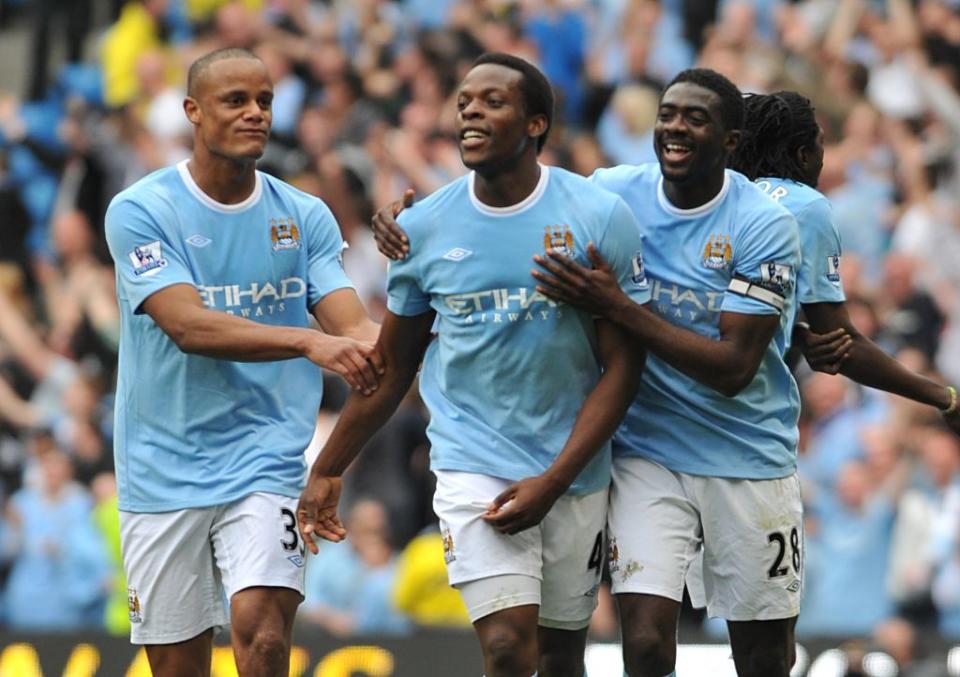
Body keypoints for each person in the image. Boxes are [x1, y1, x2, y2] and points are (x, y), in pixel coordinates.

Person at [373, 69, 807, 677]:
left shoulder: (763, 224)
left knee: (764, 656)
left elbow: (734, 369)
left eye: (695, 118)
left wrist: (621, 308)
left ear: (731, 142)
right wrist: (407, 220)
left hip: (748, 453)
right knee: (649, 643)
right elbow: (517, 192)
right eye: (667, 114)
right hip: (644, 452)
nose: (675, 128)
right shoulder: (612, 194)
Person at [297, 52, 650, 677]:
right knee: (510, 649)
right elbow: (394, 364)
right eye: (464, 103)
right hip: (470, 463)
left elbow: (623, 367)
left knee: (562, 656)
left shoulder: (597, 218)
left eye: (492, 102)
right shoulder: (423, 229)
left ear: (537, 123)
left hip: (573, 466)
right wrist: (330, 469)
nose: (471, 114)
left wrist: (555, 480)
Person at [104, 47, 381, 677]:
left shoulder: (303, 215)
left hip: (267, 459)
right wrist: (306, 341)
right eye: (236, 101)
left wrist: (420, 318)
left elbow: (355, 328)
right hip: (161, 467)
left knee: (264, 635)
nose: (255, 113)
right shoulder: (142, 210)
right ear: (193, 112)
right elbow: (186, 324)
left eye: (264, 101)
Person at [729, 91, 960, 432]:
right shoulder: (806, 206)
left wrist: (793, 330)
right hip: (749, 430)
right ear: (803, 154)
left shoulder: (716, 194)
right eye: (821, 145)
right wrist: (945, 397)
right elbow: (840, 343)